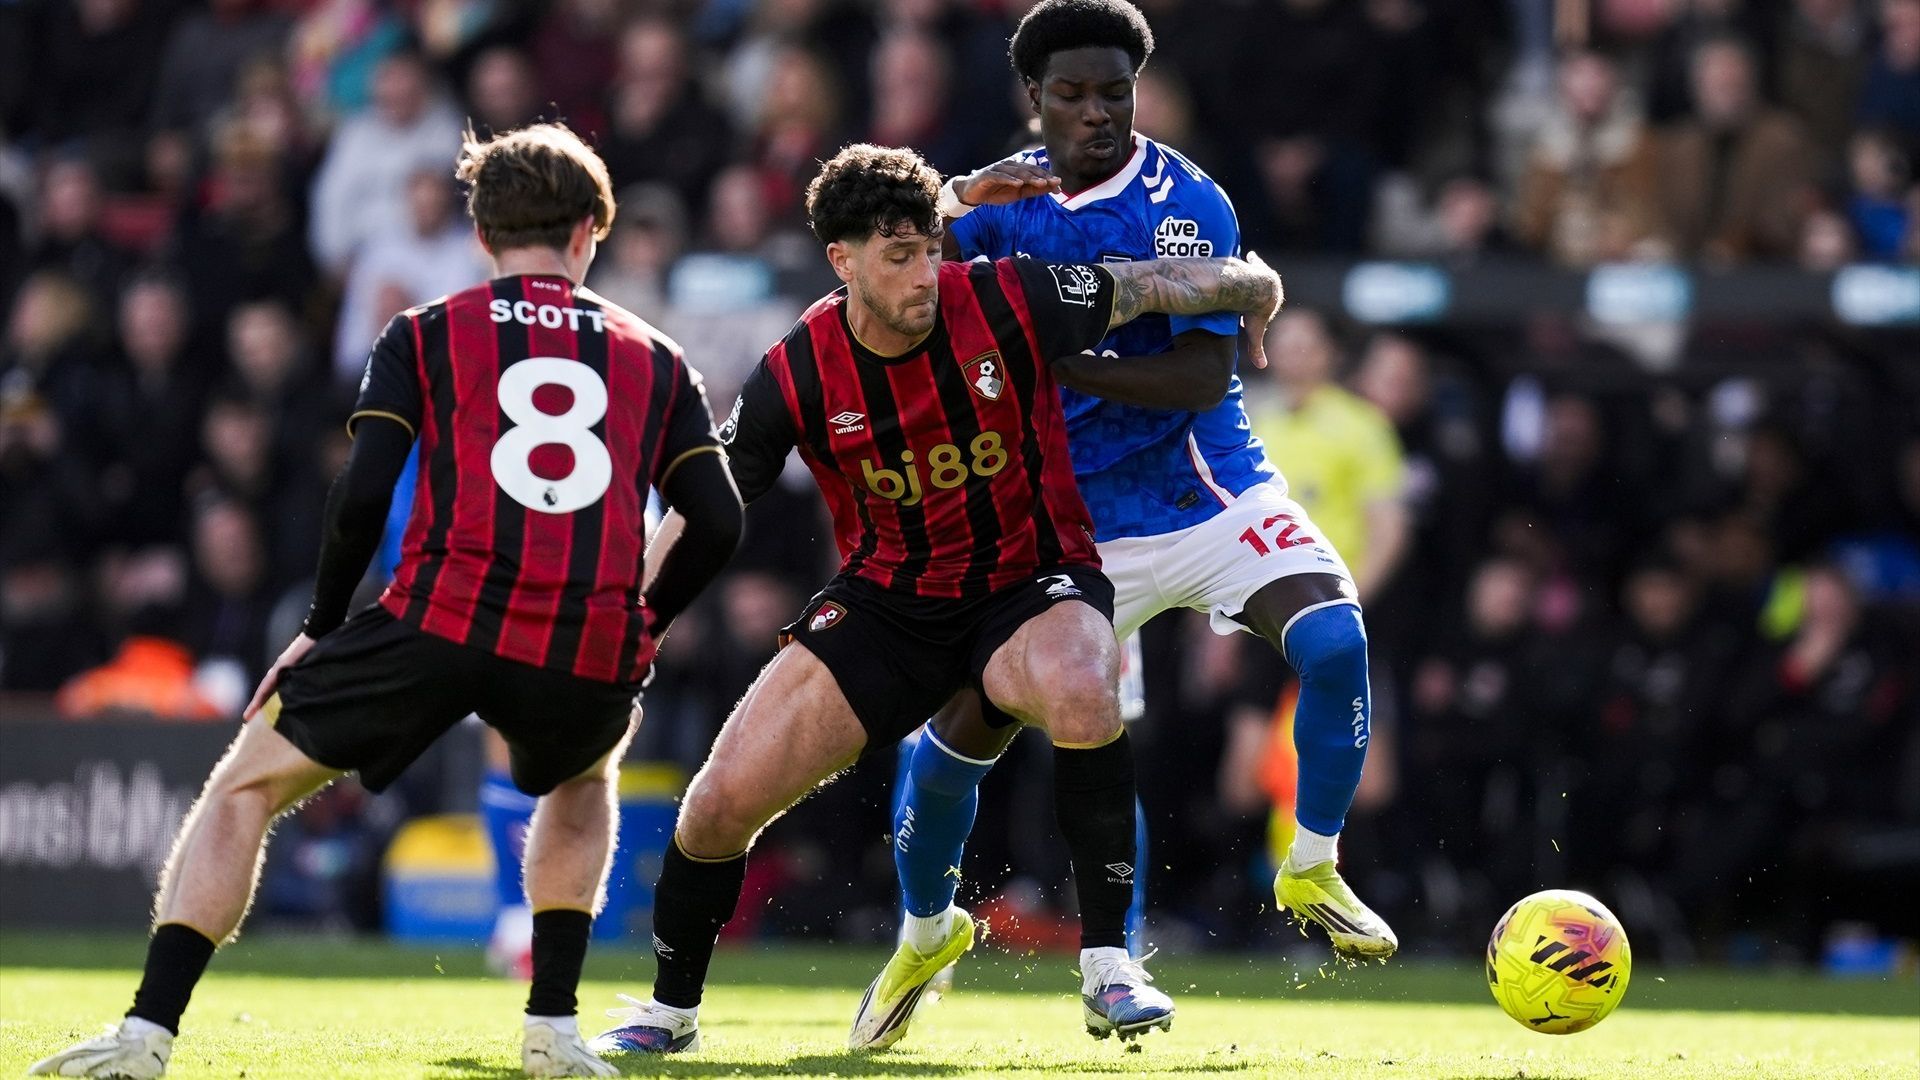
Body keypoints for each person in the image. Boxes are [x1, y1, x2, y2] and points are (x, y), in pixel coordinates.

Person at [29, 122, 743, 1080]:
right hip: (583, 634)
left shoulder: (424, 332)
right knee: (581, 783)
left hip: (439, 614)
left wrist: (321, 626)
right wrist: (643, 620)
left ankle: (146, 1037)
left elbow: (361, 494)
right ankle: (553, 1032)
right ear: (587, 235)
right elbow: (719, 517)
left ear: (482, 235)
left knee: (243, 786)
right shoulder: (655, 356)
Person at [588, 142, 1283, 1056]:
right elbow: (707, 505)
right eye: (898, 257)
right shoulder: (797, 371)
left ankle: (1111, 963)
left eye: (930, 249)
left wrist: (1250, 284)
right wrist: (631, 621)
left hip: (1028, 584)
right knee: (715, 807)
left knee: (1085, 678)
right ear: (843, 263)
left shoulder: (1006, 293)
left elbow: (1153, 281)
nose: (925, 275)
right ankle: (669, 1012)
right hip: (888, 607)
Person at [862, 0, 1396, 1052]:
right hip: (1062, 526)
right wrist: (957, 202)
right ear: (1035, 100)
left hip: (1203, 492)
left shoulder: (1186, 202)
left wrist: (1053, 357)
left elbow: (1202, 373)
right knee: (973, 736)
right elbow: (878, 283)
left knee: (1336, 639)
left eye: (1117, 91)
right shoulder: (992, 205)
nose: (1098, 112)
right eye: (1073, 93)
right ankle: (924, 931)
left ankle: (1310, 865)